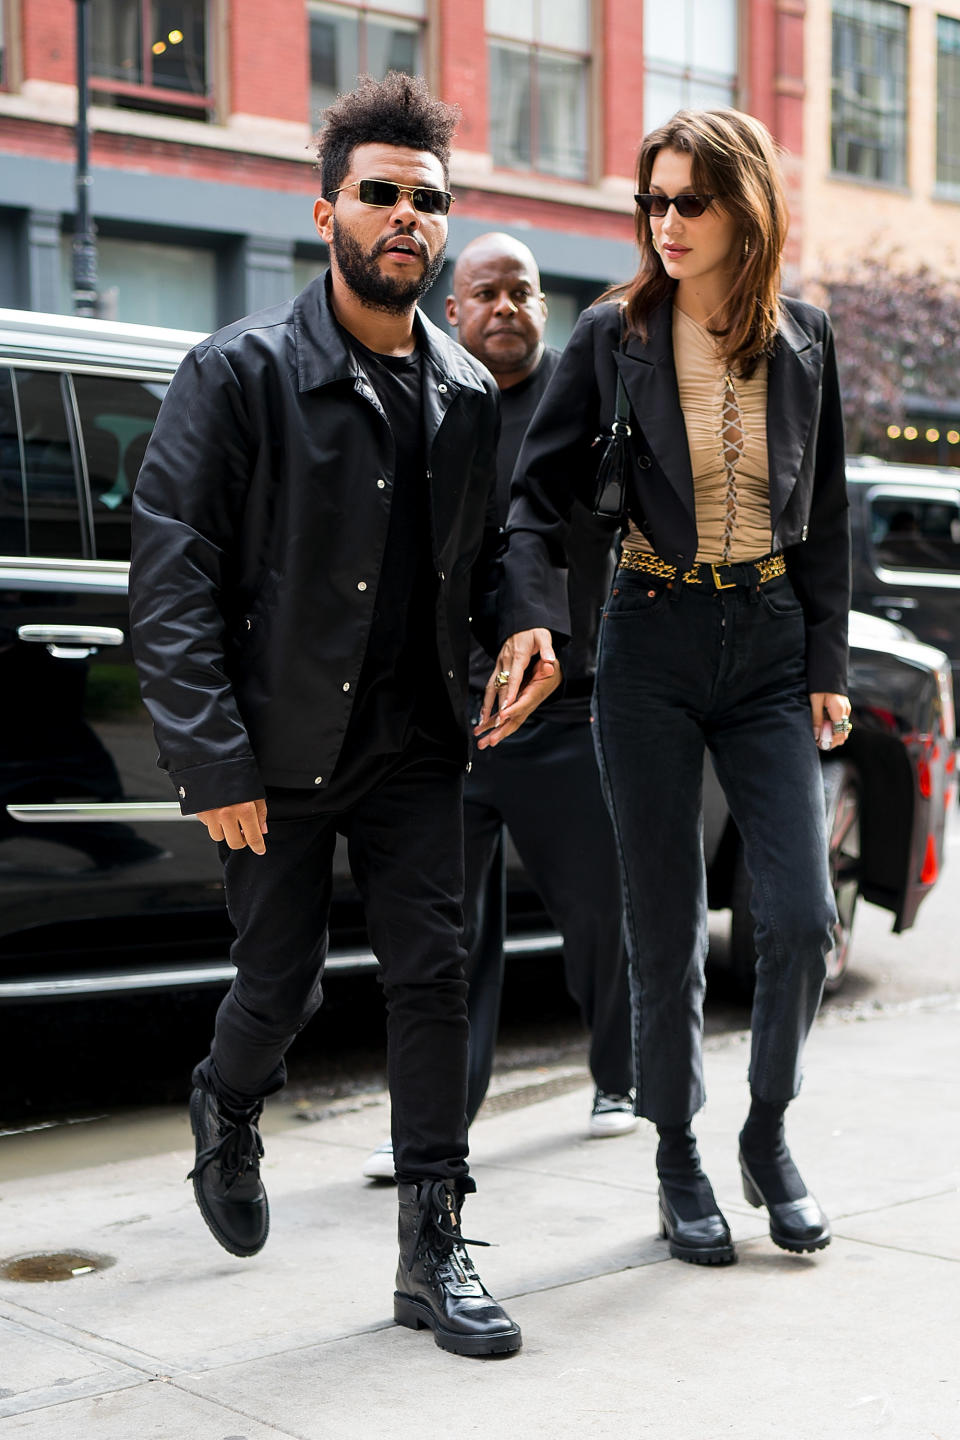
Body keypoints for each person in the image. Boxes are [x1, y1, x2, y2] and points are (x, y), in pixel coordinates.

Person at [128, 73, 561, 1359]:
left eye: (428, 200)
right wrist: (211, 757)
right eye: (381, 195)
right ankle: (225, 1097)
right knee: (284, 982)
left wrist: (527, 612)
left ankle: (432, 1249)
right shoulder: (237, 375)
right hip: (274, 748)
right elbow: (170, 574)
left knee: (435, 978)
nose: (407, 218)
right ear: (326, 211)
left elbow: (487, 555)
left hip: (420, 745)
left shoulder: (465, 395)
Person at [485, 108, 852, 1266]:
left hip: (770, 642)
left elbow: (828, 517)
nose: (668, 223)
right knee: (666, 921)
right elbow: (533, 502)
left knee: (799, 919)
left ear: (746, 205)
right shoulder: (613, 334)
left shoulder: (807, 339)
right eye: (653, 201)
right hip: (646, 634)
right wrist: (539, 622)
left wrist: (828, 668)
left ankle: (769, 1131)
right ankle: (676, 1152)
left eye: (691, 200)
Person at [362, 233, 635, 1181]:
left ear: (542, 309)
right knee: (445, 934)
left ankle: (620, 1076)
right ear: (454, 311)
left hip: (567, 703)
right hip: (453, 715)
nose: (505, 307)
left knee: (596, 909)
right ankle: (439, 1121)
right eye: (485, 293)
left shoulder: (583, 400)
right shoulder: (437, 405)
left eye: (522, 291)